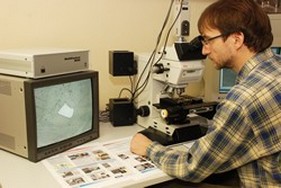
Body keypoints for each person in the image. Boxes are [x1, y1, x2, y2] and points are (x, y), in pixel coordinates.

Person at [130, 0, 281, 187]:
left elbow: (192, 167)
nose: (204, 49)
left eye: (208, 40)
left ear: (236, 39)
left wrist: (148, 148)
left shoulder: (243, 100)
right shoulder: (276, 68)